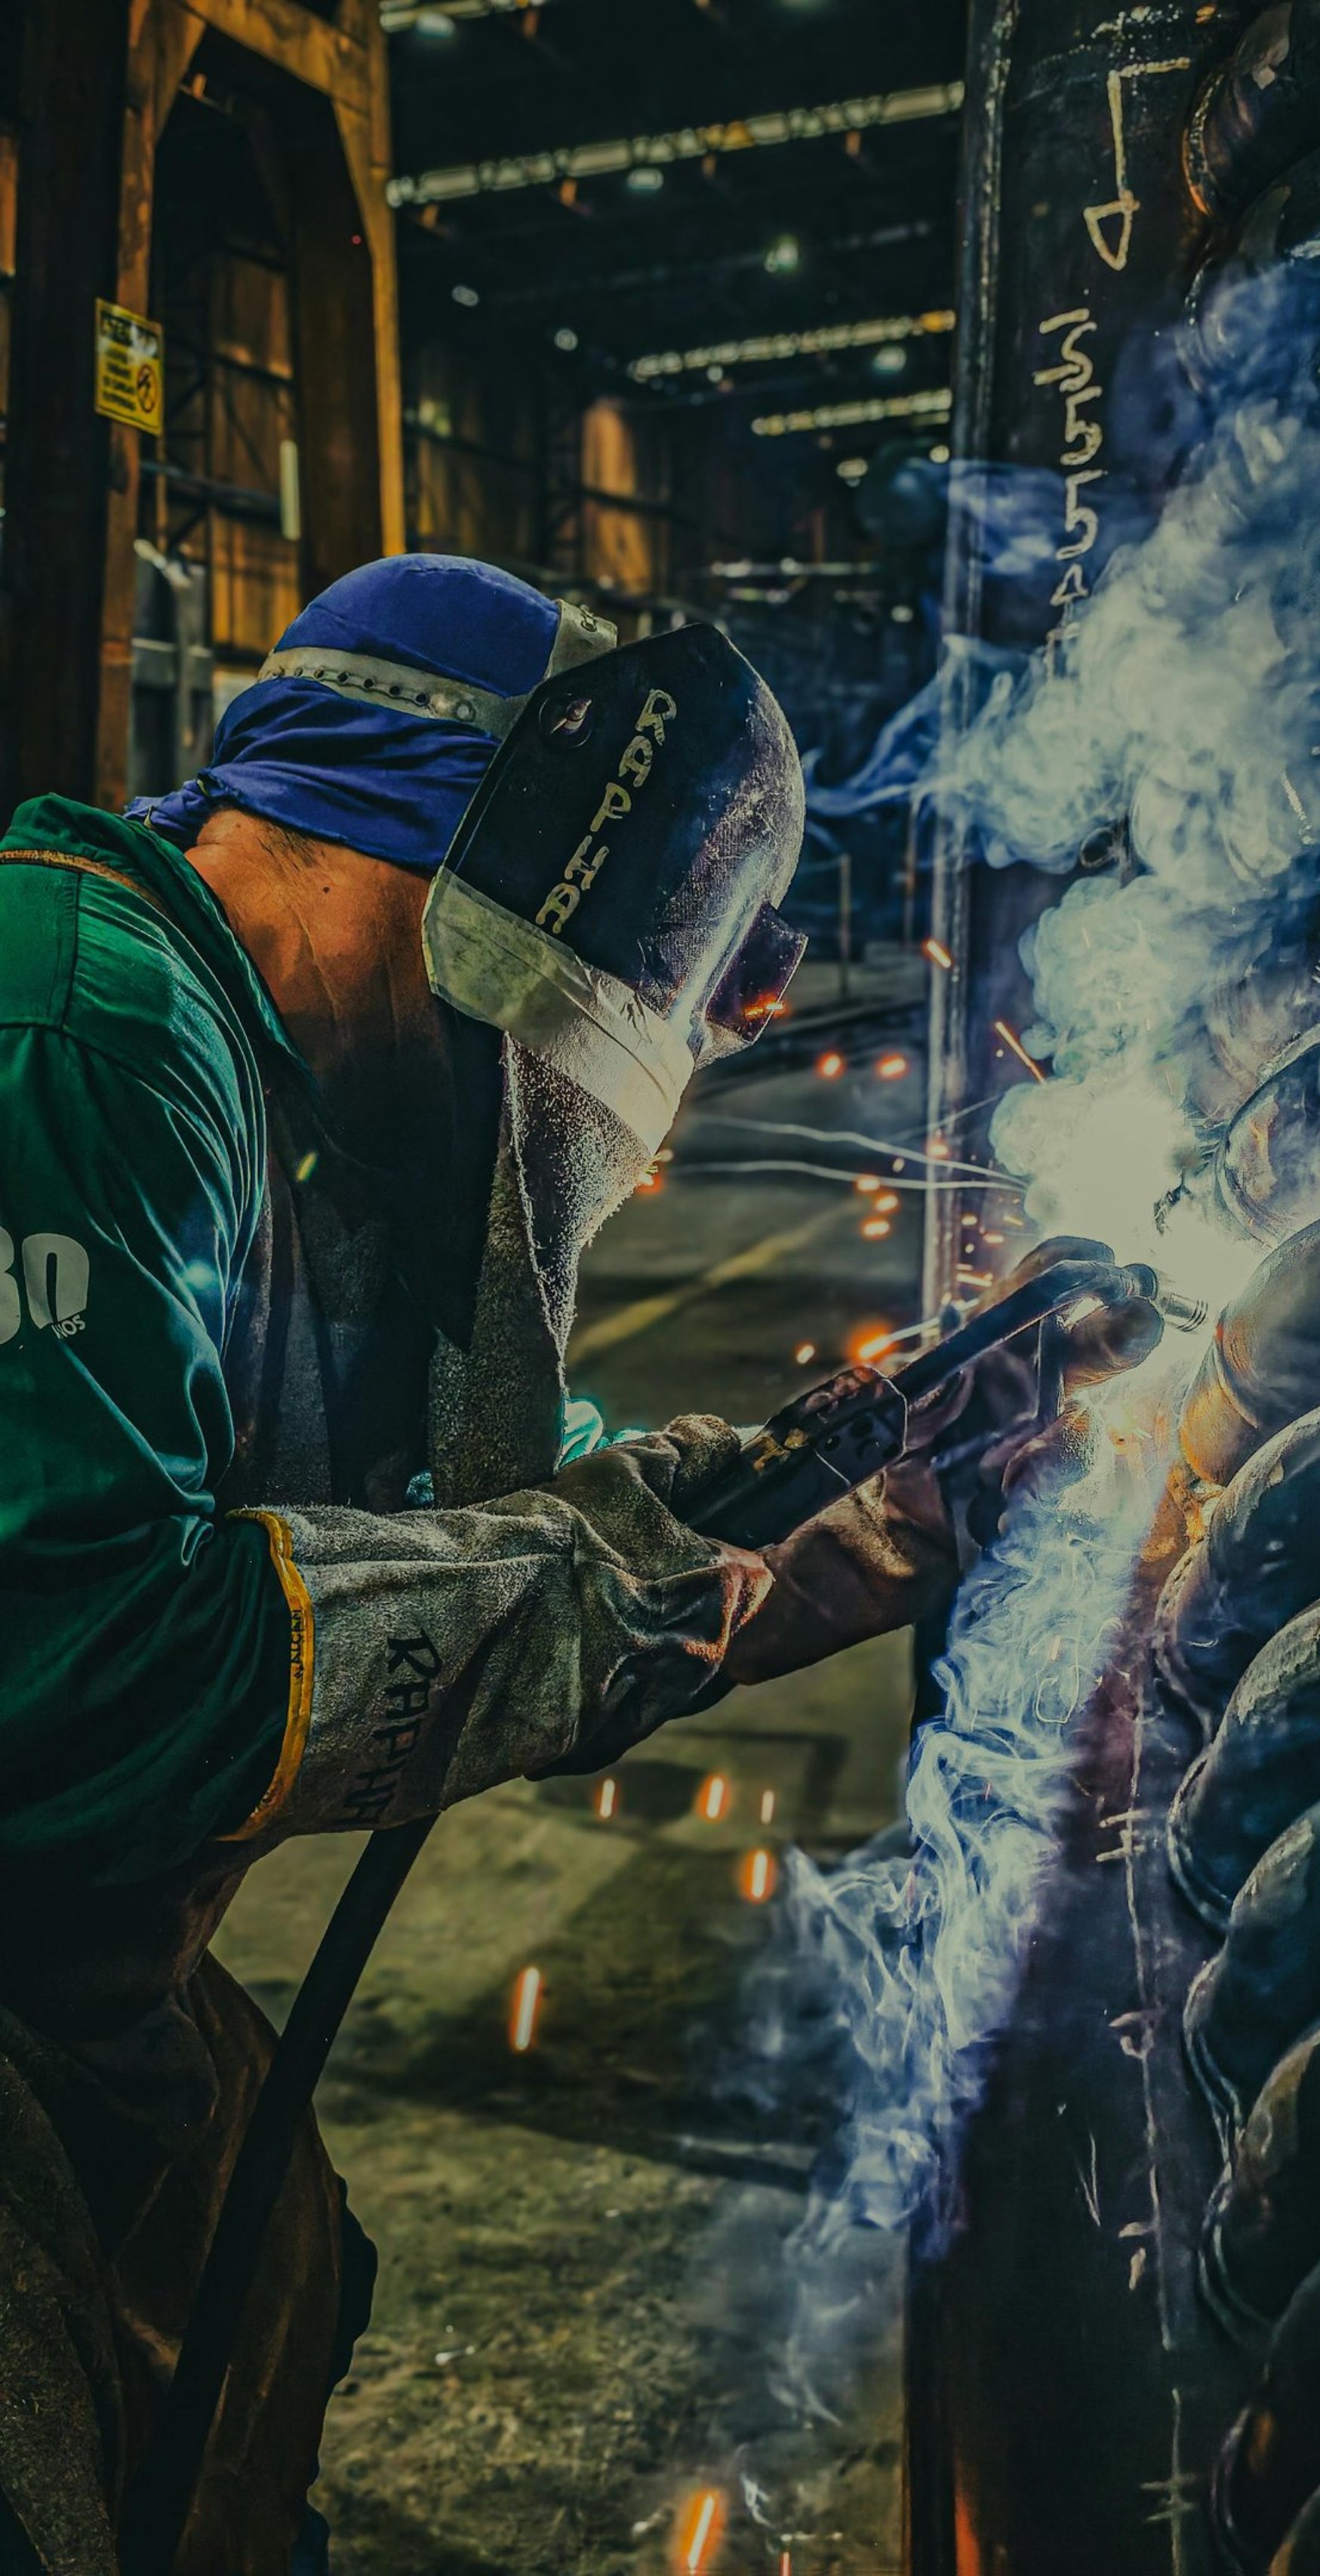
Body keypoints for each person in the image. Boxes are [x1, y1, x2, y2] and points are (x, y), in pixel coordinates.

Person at [0, 555, 1157, 2574]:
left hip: (87, 2006)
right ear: (450, 877)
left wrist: (875, 1511)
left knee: (252, 2323)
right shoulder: (76, 1022)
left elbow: (470, 1547)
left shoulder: (307, 1119)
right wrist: (613, 1601)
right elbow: (80, 1671)